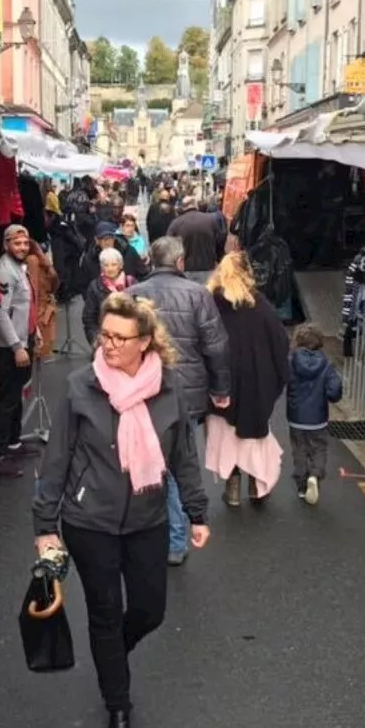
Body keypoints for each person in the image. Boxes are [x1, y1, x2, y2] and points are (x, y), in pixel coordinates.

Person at [33, 293, 209, 728]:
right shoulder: (80, 387)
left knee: (150, 609)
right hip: (88, 521)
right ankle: (119, 708)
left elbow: (183, 456)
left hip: (148, 517)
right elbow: (57, 458)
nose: (107, 344)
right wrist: (44, 524)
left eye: (118, 337)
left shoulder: (169, 388)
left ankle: (110, 656)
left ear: (145, 343)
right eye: (104, 335)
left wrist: (196, 510)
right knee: (105, 612)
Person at [128, 236, 230, 565]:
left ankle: (146, 535)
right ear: (181, 261)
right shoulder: (198, 294)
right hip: (186, 394)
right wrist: (220, 389)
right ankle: (173, 540)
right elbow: (216, 347)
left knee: (146, 460)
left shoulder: (131, 295)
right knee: (176, 461)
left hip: (140, 392)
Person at [203, 252, 290, 506]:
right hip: (255, 384)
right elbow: (280, 342)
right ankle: (256, 484)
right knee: (252, 438)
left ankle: (232, 487)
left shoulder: (210, 303)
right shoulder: (259, 305)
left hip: (221, 385)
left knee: (224, 437)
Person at [0, 225, 37, 478]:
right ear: (7, 244)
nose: (22, 248)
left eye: (25, 243)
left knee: (17, 394)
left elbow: (24, 305)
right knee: (7, 399)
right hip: (7, 347)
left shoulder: (19, 267)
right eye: (17, 244)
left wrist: (33, 331)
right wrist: (17, 346)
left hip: (23, 340)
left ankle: (13, 442)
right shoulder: (4, 271)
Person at [287, 323, 343, 505]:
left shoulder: (292, 361)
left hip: (296, 417)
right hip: (318, 417)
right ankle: (315, 475)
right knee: (318, 448)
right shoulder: (326, 364)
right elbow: (334, 390)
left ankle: (302, 486)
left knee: (299, 450)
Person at [82, 248, 134, 347]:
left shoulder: (131, 283)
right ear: (101, 267)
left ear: (121, 265)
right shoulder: (94, 286)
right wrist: (97, 341)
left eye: (114, 264)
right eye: (106, 265)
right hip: (105, 340)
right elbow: (89, 318)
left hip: (129, 338)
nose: (110, 268)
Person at [165, 197, 223, 282]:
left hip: (185, 270)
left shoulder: (176, 223)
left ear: (183, 207)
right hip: (207, 267)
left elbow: (168, 246)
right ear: (196, 205)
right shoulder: (211, 220)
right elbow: (219, 241)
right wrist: (218, 259)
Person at [26, 237, 59, 361]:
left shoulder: (31, 260)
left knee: (39, 349)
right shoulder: (42, 260)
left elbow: (34, 287)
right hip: (46, 303)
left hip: (39, 306)